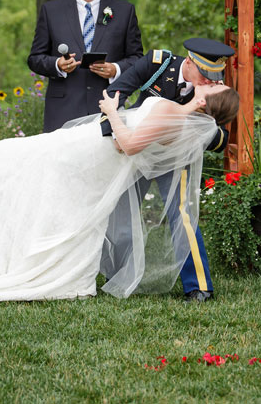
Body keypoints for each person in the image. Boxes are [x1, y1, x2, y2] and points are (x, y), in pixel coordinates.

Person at [0, 83, 239, 304]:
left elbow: (128, 145)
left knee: (5, 159)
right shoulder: (183, 124)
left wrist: (111, 112)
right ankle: (31, 257)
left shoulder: (171, 112)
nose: (208, 82)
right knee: (38, 175)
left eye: (213, 86)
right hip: (93, 149)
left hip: (93, 147)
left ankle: (22, 256)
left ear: (206, 101)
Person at [100, 38, 235, 302]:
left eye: (214, 76)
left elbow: (220, 132)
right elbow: (117, 92)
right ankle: (118, 275)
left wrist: (197, 134)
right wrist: (114, 134)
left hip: (175, 156)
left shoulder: (213, 88)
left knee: (182, 214)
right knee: (121, 212)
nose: (209, 81)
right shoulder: (158, 63)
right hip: (137, 150)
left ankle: (198, 287)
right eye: (204, 74)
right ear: (188, 62)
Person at [28, 0, 144, 132]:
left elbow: (137, 58)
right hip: (62, 112)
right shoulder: (51, 11)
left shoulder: (124, 11)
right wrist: (58, 64)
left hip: (107, 109)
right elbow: (35, 59)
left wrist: (115, 69)